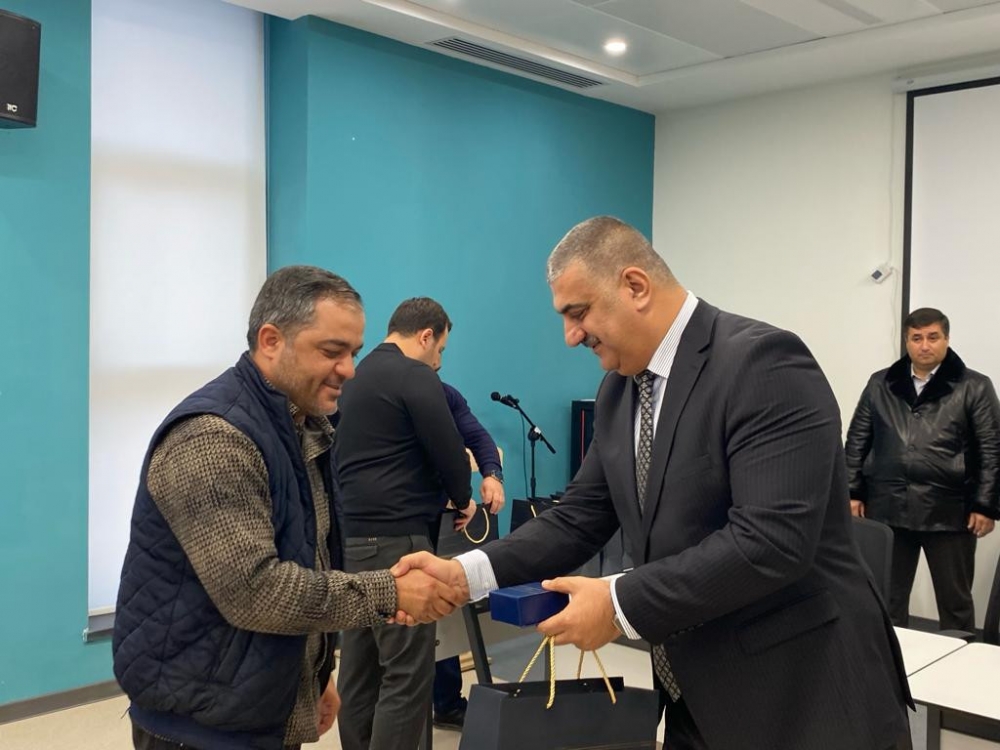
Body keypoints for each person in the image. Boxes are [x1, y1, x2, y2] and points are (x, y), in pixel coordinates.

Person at [393, 217, 913, 750]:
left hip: (801, 697)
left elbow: (771, 541)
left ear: (635, 286)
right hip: (694, 696)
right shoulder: (619, 391)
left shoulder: (762, 362)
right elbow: (580, 515)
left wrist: (617, 604)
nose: (571, 336)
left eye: (578, 312)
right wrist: (466, 574)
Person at [112, 266, 460, 750]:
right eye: (332, 351)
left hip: (255, 704)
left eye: (353, 352)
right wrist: (390, 592)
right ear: (271, 341)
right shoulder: (214, 438)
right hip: (201, 725)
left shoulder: (303, 428)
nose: (349, 370)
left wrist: (314, 673)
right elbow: (256, 591)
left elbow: (305, 556)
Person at [334, 297, 474, 750]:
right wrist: (463, 498)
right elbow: (449, 449)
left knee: (359, 670)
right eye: (441, 349)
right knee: (407, 673)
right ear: (426, 336)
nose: (439, 361)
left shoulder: (353, 376)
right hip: (400, 544)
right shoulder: (415, 375)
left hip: (350, 542)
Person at [845, 307, 1000, 631]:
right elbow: (858, 439)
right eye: (917, 338)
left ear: (946, 339)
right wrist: (852, 491)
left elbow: (992, 448)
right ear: (907, 341)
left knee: (955, 603)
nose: (925, 345)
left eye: (933, 337)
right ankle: (892, 660)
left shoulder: (974, 386)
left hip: (950, 511)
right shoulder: (881, 383)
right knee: (887, 600)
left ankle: (959, 658)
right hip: (888, 507)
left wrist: (985, 505)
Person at [433, 381, 505, 730]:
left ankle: (446, 702)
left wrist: (492, 474)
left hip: (441, 522)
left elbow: (477, 437)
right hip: (390, 526)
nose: (439, 359)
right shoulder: (382, 393)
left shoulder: (444, 394)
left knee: (443, 609)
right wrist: (459, 497)